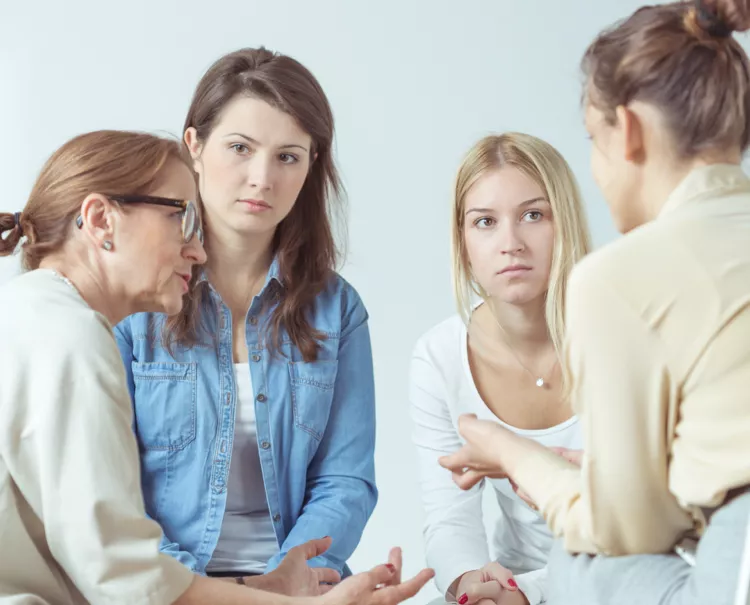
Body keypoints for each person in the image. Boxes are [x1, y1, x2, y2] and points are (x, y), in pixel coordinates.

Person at [0, 129, 432, 605]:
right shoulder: (72, 337)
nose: (198, 250)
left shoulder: (31, 314)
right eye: (179, 218)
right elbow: (127, 578)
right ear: (101, 220)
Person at [439, 1, 750, 603]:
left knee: (581, 567)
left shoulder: (619, 276)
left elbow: (629, 530)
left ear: (626, 131)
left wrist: (513, 453)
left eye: (592, 138)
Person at [113, 46, 377, 582]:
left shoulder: (338, 308)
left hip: (302, 586)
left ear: (310, 167)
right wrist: (201, 590)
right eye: (240, 147)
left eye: (288, 156)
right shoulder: (133, 303)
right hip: (167, 587)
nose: (262, 178)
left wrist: (287, 581)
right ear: (195, 145)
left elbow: (345, 480)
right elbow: (110, 491)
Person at [410, 133, 591, 605]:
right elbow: (450, 518)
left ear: (564, 222)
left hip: (625, 576)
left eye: (533, 215)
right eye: (485, 222)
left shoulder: (626, 337)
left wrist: (525, 593)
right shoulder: (440, 356)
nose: (510, 243)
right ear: (464, 240)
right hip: (512, 584)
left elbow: (642, 526)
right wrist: (475, 584)